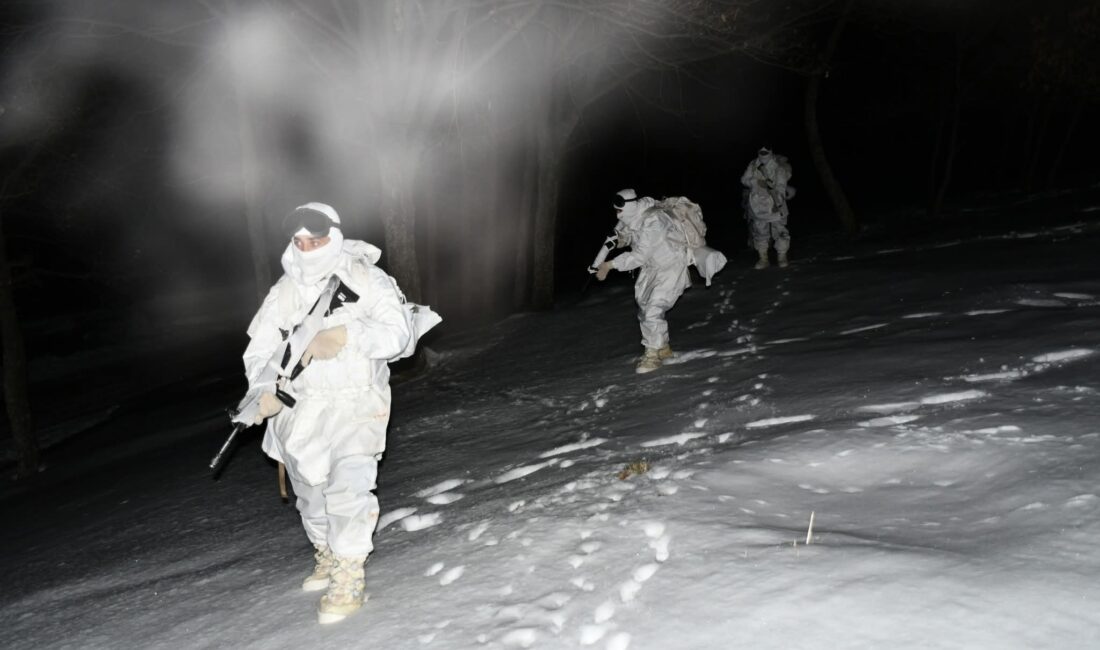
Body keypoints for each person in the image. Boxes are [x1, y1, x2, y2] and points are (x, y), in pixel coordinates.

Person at [242, 201, 415, 624]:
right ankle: (327, 552)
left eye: (315, 239)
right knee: (311, 497)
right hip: (301, 411)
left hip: (357, 403)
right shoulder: (283, 291)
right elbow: (260, 351)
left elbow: (401, 337)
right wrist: (262, 393)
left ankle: (349, 572)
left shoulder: (367, 279)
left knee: (349, 490)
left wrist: (347, 334)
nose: (307, 248)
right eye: (299, 241)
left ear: (334, 236)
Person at [595, 188, 692, 374]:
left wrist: (609, 265)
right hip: (651, 269)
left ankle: (652, 354)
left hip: (670, 268)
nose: (617, 214)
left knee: (654, 310)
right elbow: (630, 234)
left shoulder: (654, 220)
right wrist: (621, 240)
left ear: (630, 207)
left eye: (619, 211)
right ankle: (663, 347)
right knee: (644, 308)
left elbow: (639, 255)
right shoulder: (634, 217)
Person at [740, 146, 794, 269]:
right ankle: (763, 258)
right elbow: (744, 180)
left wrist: (776, 197)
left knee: (780, 231)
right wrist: (755, 183)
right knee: (760, 232)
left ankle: (782, 256)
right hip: (757, 204)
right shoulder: (753, 164)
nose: (763, 152)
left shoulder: (777, 166)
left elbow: (781, 185)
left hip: (775, 204)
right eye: (761, 150)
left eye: (766, 150)